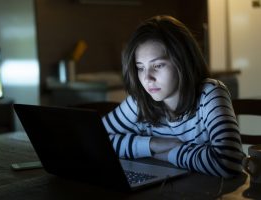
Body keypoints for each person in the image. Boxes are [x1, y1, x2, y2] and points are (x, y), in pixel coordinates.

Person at [102, 15, 244, 178]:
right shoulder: (139, 101)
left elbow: (229, 163)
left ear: (183, 61)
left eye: (158, 65)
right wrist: (152, 144)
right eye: (140, 68)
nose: (147, 78)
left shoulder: (210, 93)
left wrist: (169, 154)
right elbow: (95, 140)